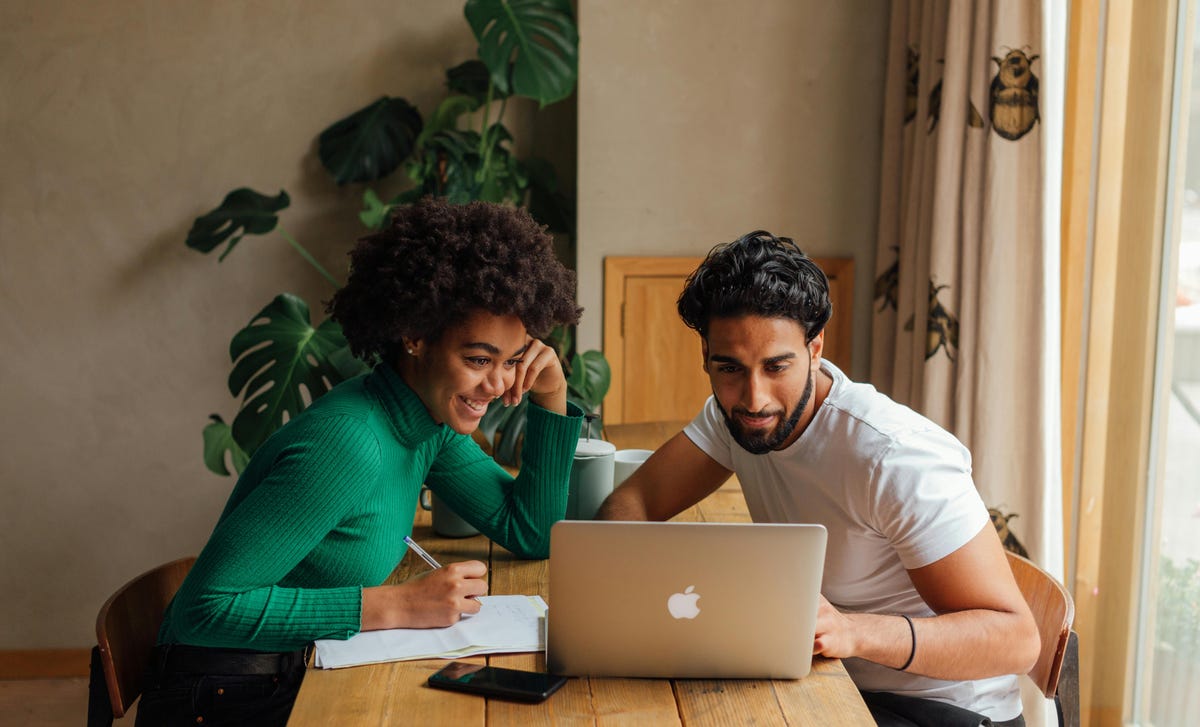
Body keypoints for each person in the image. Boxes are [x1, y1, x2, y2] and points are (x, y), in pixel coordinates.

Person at [137, 198, 585, 727]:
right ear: (414, 336)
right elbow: (203, 610)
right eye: (478, 360)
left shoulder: (425, 424)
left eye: (511, 361)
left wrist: (551, 395)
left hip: (299, 668)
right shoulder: (348, 444)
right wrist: (395, 606)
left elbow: (530, 531)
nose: (499, 384)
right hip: (223, 694)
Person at [597, 231, 1040, 727]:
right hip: (829, 685)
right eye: (730, 368)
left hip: (945, 710)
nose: (754, 397)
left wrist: (852, 632)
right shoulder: (733, 416)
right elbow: (635, 500)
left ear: (815, 347)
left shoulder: (894, 456)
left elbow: (1017, 641)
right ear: (706, 355)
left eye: (776, 366)